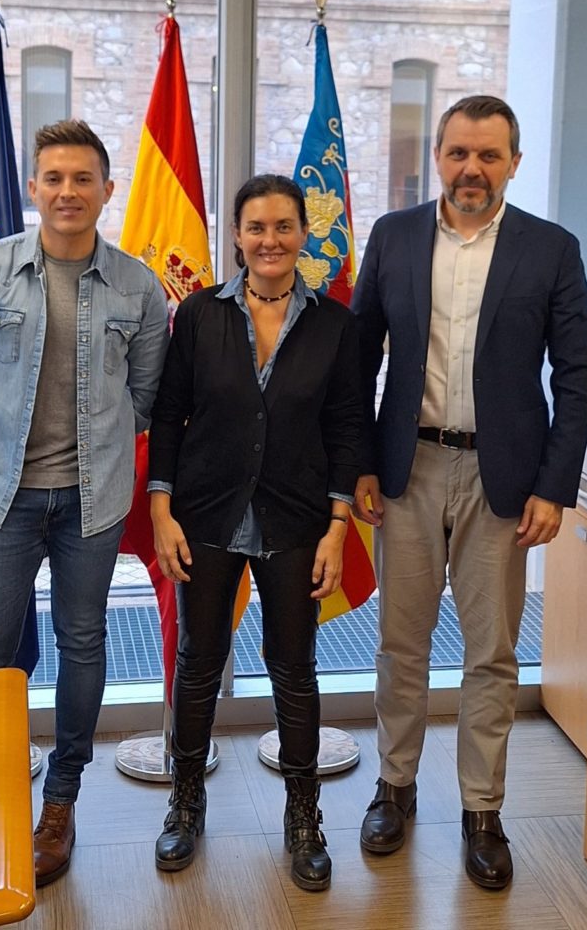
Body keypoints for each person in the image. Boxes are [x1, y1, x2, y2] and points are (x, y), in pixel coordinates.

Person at [351, 95, 587, 889]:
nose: (472, 170)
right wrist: (355, 464)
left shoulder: (551, 249)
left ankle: (483, 810)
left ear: (514, 164)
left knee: (491, 654)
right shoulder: (391, 238)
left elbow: (578, 379)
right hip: (408, 471)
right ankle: (394, 788)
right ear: (438, 158)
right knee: (401, 646)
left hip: (507, 480)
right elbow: (357, 364)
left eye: (489, 156)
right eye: (459, 153)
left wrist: (556, 486)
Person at [0, 119, 170, 886]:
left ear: (106, 190)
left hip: (91, 502)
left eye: (83, 179)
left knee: (83, 641)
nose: (67, 192)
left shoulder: (138, 287)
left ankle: (61, 798)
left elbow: (145, 398)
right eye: (54, 179)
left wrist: (84, 454)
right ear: (34, 189)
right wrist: (7, 444)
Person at [147, 174, 361, 892]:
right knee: (199, 659)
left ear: (303, 234)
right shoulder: (201, 316)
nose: (269, 241)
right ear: (235, 237)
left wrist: (337, 528)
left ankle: (304, 816)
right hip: (204, 515)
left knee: (293, 668)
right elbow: (170, 414)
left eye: (283, 227)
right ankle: (186, 800)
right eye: (255, 227)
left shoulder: (334, 325)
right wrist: (160, 506)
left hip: (297, 518)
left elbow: (345, 428)